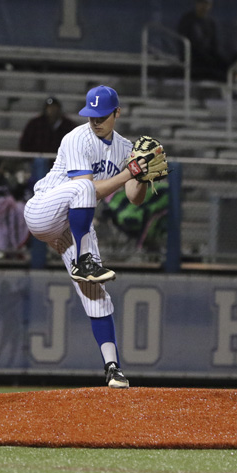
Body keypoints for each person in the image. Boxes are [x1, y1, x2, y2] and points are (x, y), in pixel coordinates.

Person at [23, 85, 152, 389]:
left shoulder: (124, 147)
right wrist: (127, 173)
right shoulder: (76, 138)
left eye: (102, 116)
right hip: (45, 209)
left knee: (95, 292)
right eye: (91, 115)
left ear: (117, 113)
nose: (95, 121)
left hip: (73, 225)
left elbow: (134, 198)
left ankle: (113, 368)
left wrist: (141, 175)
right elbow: (88, 188)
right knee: (84, 189)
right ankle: (84, 259)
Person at [177, 0, 228, 81]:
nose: (203, 6)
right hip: (194, 57)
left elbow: (215, 43)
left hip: (208, 55)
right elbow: (190, 43)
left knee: (223, 61)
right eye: (201, 3)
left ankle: (234, 75)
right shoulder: (188, 19)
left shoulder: (211, 22)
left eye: (206, 4)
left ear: (210, 6)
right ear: (196, 4)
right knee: (214, 68)